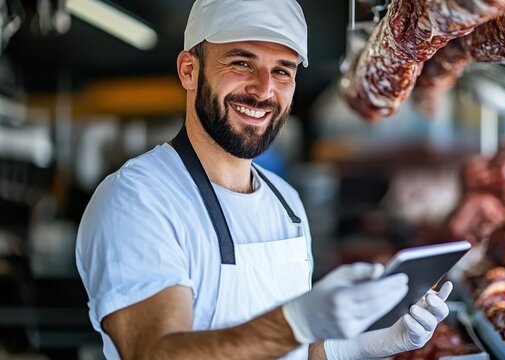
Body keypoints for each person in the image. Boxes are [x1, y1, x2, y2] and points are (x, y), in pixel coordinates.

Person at [75, 0, 452, 359]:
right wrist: (296, 323)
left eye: (282, 71)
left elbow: (291, 353)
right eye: (242, 63)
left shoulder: (285, 202)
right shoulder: (139, 200)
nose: (264, 90)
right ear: (189, 70)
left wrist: (367, 345)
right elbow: (155, 353)